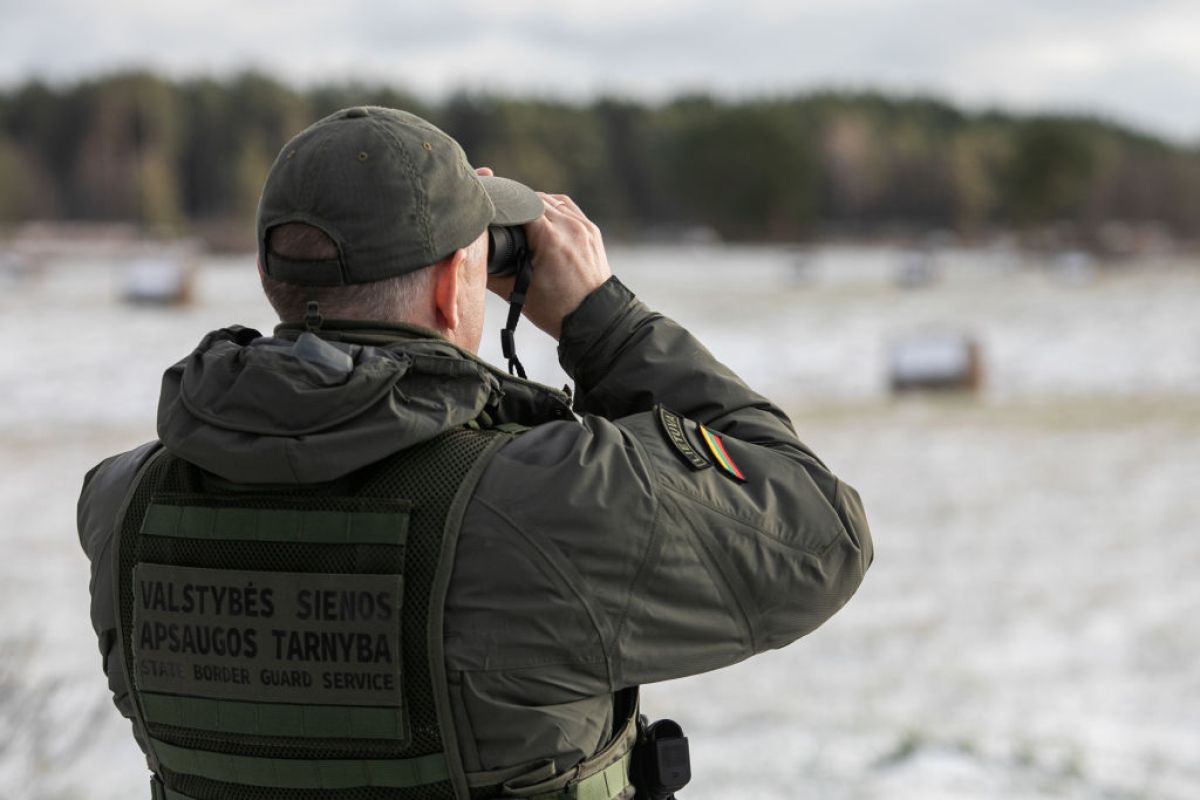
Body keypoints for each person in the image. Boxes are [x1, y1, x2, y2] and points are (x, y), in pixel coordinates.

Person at [78, 106, 873, 800]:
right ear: (452, 282)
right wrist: (609, 324)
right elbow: (819, 533)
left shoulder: (124, 508)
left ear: (266, 275)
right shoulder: (547, 503)